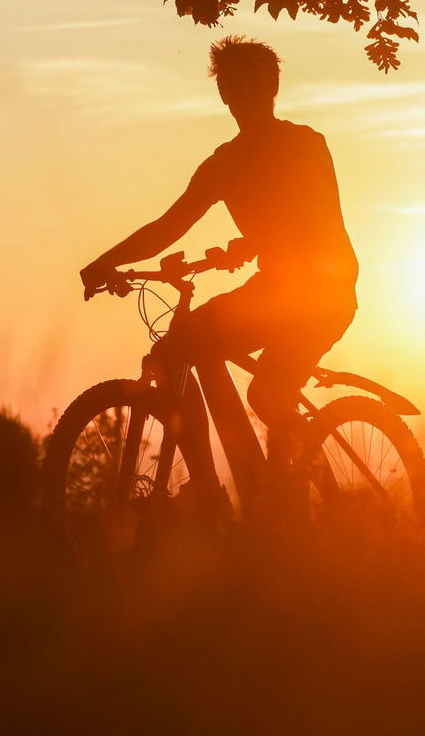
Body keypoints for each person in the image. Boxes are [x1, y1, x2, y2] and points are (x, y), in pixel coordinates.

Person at [79, 36, 359, 498]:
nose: (242, 97)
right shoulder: (223, 164)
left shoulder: (306, 146)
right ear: (224, 94)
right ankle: (209, 489)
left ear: (273, 88)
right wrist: (107, 261)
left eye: (252, 86)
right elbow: (169, 225)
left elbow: (313, 216)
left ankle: (315, 504)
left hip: (323, 293)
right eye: (232, 87)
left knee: (267, 396)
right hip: (274, 290)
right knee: (176, 350)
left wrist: (251, 243)